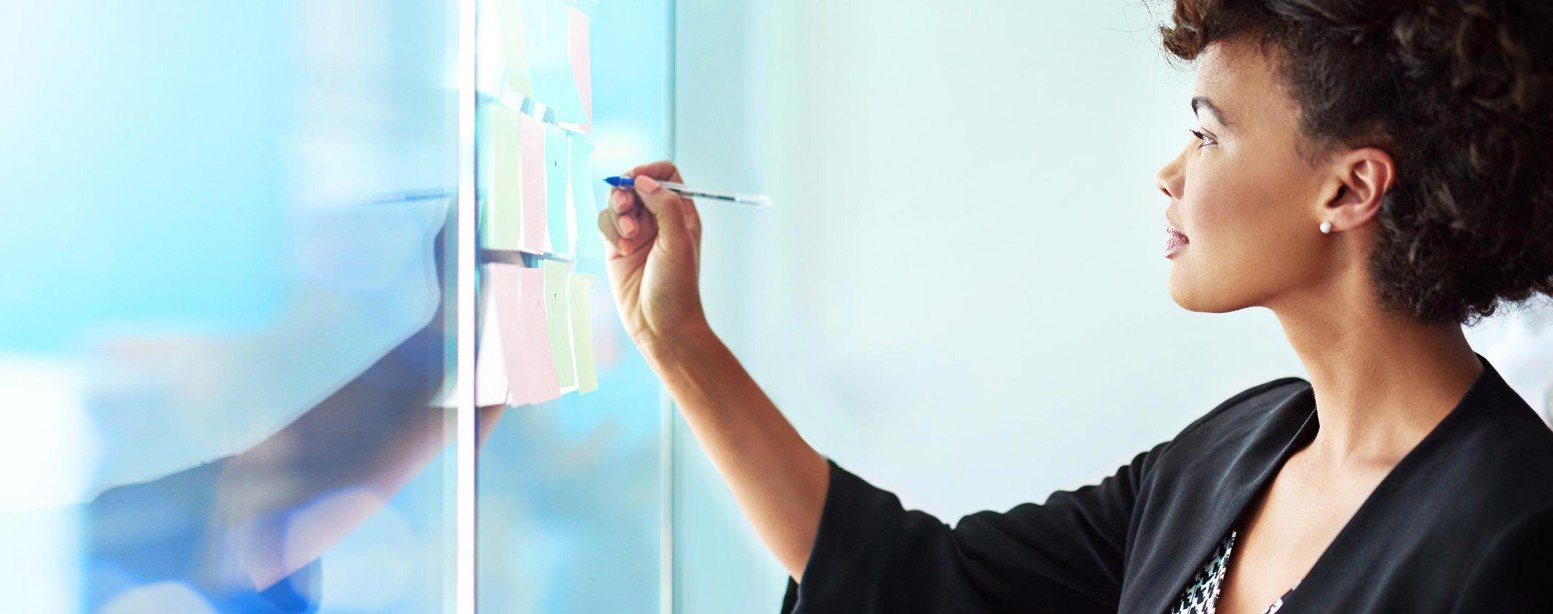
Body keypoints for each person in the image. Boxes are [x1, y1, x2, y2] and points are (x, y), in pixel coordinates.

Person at [596, 1, 1553, 612]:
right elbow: (918, 584)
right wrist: (679, 341)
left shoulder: (1515, 533)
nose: (1169, 174)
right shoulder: (1231, 455)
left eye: (1206, 134)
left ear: (1349, 191)